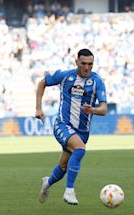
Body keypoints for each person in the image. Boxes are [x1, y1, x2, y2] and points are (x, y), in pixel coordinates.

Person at [36, 49, 107, 205]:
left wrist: (92, 110)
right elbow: (42, 83)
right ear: (76, 62)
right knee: (80, 149)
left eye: (90, 64)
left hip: (82, 131)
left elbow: (104, 109)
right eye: (83, 64)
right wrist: (38, 108)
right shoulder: (65, 76)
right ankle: (69, 191)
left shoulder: (97, 81)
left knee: (63, 166)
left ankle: (47, 183)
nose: (87, 67)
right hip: (63, 125)